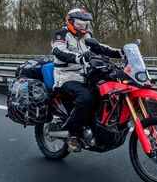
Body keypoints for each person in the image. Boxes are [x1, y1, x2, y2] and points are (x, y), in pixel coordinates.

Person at [51, 8, 122, 152]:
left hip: (85, 77)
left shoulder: (87, 36)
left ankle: (96, 127)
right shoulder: (62, 34)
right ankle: (72, 134)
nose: (83, 26)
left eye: (85, 23)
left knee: (105, 93)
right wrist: (79, 57)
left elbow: (100, 47)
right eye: (79, 23)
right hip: (66, 77)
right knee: (86, 98)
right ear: (71, 22)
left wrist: (121, 52)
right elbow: (58, 51)